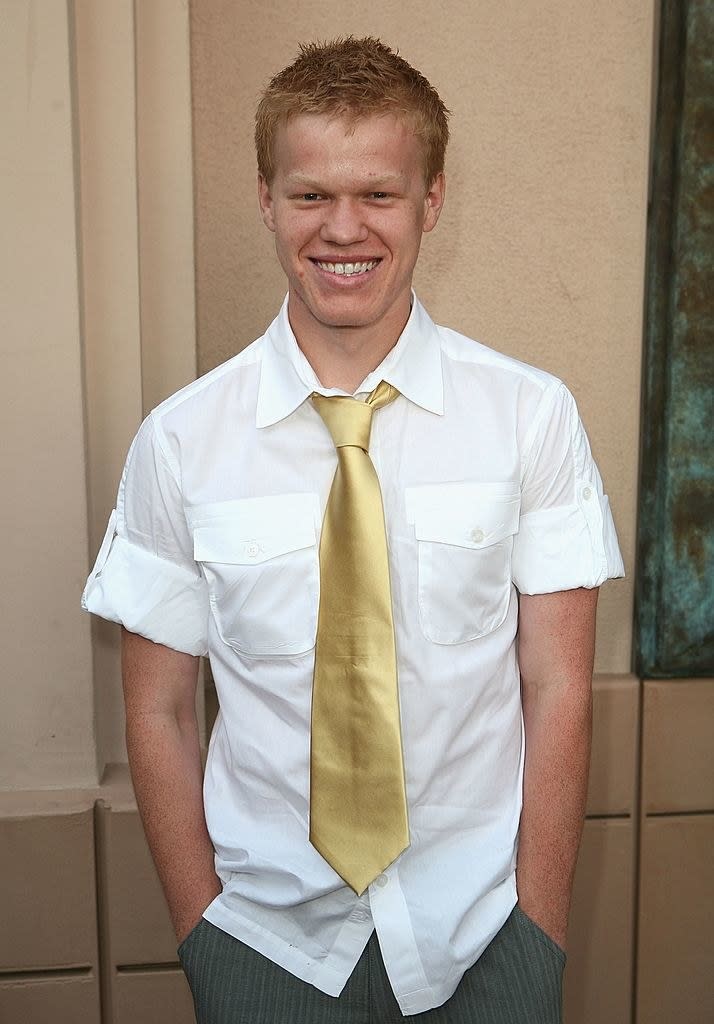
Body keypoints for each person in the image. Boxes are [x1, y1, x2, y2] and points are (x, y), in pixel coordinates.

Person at [83, 36, 624, 1024]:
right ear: (265, 198)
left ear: (432, 200)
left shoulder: (528, 417)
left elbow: (558, 687)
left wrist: (539, 931)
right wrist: (205, 938)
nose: (344, 228)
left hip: (486, 939)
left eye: (379, 192)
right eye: (310, 194)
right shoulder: (181, 442)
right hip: (263, 948)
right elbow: (158, 712)